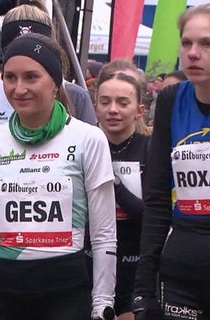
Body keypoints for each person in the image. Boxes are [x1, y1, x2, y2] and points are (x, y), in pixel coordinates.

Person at [0, 33, 117, 320]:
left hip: (64, 289)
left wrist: (102, 304)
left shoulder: (88, 138)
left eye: (32, 77)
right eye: (10, 77)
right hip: (0, 290)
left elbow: (104, 234)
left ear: (55, 82)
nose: (19, 88)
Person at [132, 4, 210, 320]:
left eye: (207, 44)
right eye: (186, 42)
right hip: (181, 266)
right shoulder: (170, 99)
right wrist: (142, 287)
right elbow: (157, 198)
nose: (193, 53)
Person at [0, 3, 97, 144]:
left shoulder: (77, 96)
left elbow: (90, 148)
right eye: (15, 48)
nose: (20, 89)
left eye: (32, 76)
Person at [94, 68, 150, 320]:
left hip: (136, 262)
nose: (112, 109)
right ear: (96, 107)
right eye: (105, 102)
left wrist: (113, 185)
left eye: (122, 103)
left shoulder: (150, 148)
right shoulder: (87, 147)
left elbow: (151, 216)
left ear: (139, 110)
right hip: (91, 263)